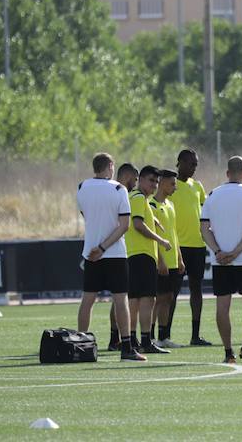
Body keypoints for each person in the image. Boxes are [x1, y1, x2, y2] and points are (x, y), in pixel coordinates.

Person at [76, 153, 145, 362]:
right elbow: (123, 225)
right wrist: (104, 247)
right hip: (113, 252)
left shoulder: (82, 187)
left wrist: (96, 247)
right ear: (111, 166)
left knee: (88, 300)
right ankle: (126, 348)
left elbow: (86, 215)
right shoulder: (119, 189)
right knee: (120, 299)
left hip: (91, 253)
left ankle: (81, 345)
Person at [200, 156, 242, 363]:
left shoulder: (213, 194)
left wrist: (218, 251)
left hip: (220, 261)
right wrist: (236, 252)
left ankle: (228, 352)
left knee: (223, 305)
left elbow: (204, 229)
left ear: (227, 173)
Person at [126, 165, 172, 354]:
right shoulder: (138, 197)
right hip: (142, 254)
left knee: (136, 300)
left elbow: (140, 218)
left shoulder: (137, 198)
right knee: (147, 300)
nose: (154, 185)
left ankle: (133, 339)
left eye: (156, 182)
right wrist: (160, 239)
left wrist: (154, 220)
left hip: (135, 254)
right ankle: (145, 341)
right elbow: (137, 224)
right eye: (151, 181)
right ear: (141, 180)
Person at [169, 149, 212, 346]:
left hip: (197, 245)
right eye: (190, 164)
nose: (193, 168)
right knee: (171, 292)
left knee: (196, 289)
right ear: (179, 163)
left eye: (195, 164)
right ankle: (164, 335)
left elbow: (205, 212)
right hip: (177, 246)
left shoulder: (198, 186)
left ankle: (195, 335)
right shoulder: (170, 185)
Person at [152, 169, 186, 348]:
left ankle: (163, 337)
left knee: (168, 298)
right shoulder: (151, 204)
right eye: (172, 184)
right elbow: (152, 236)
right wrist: (160, 260)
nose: (175, 187)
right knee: (156, 299)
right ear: (163, 183)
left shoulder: (170, 205)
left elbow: (174, 234)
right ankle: (149, 337)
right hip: (161, 261)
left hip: (173, 260)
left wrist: (179, 258)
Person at [107, 162, 138, 352]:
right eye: (134, 179)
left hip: (108, 248)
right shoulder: (120, 192)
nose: (135, 183)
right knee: (121, 297)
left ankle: (115, 338)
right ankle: (120, 339)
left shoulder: (108, 191)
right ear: (127, 177)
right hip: (117, 250)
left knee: (116, 298)